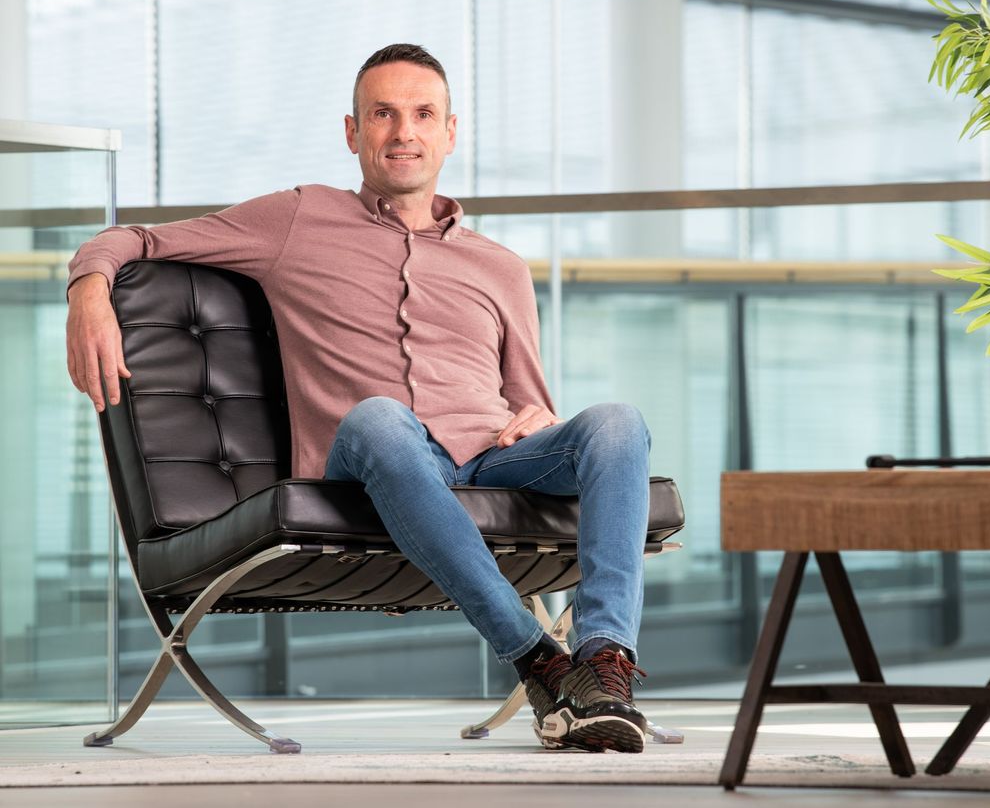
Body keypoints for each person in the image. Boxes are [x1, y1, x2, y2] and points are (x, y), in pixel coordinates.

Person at [65, 43, 654, 753]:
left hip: (491, 460)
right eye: (383, 114)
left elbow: (531, 402)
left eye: (422, 114)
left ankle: (601, 667)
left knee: (619, 424)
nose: (404, 131)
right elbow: (133, 239)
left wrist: (541, 419)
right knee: (380, 418)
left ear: (449, 131)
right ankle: (537, 659)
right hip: (372, 461)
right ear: (353, 132)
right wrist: (89, 293)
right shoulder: (294, 219)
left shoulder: (500, 267)